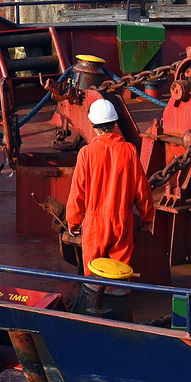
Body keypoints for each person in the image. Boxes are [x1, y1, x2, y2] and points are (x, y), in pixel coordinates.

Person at [65, 99, 155, 272]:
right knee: (121, 273)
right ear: (114, 124)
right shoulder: (129, 151)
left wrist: (73, 221)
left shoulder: (87, 153)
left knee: (92, 274)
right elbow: (141, 189)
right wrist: (147, 217)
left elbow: (78, 192)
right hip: (123, 223)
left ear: (93, 124)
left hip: (94, 225)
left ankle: (93, 297)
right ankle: (118, 297)